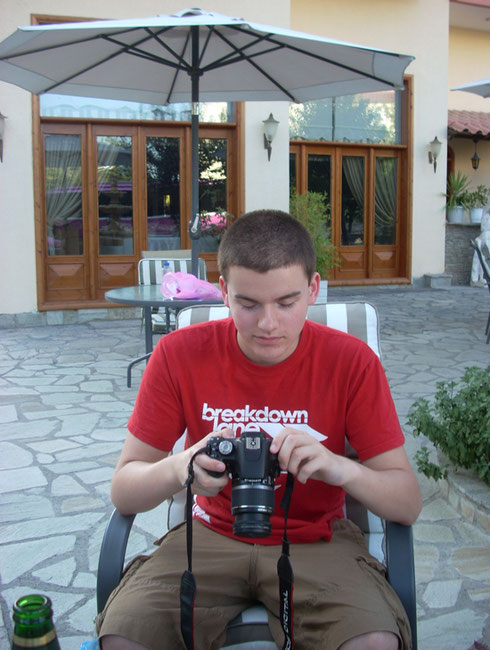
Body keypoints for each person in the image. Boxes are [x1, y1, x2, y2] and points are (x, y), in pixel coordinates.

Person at [97, 209, 422, 650]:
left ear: (313, 289)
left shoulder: (352, 363)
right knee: (123, 635)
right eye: (248, 304)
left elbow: (405, 503)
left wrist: (337, 468)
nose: (268, 324)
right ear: (223, 291)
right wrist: (182, 466)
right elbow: (124, 489)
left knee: (374, 642)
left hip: (317, 543)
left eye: (286, 303)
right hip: (208, 537)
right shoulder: (179, 354)